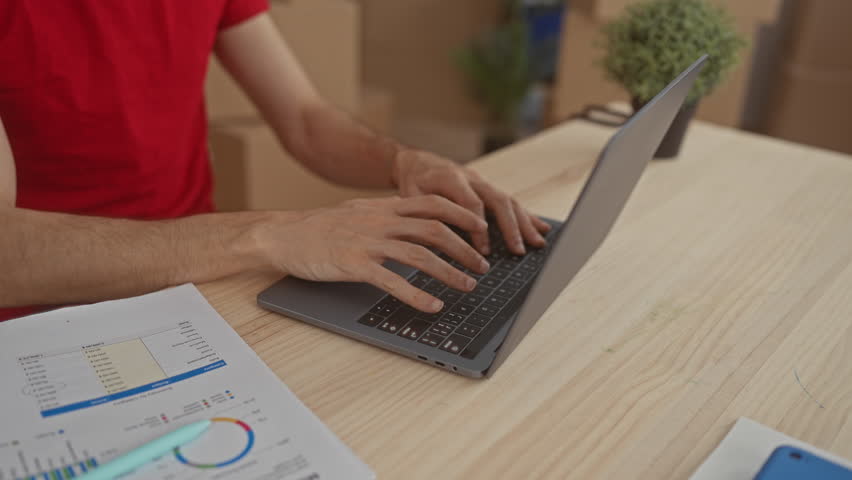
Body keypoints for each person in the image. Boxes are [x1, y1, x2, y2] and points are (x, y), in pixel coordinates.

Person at [0, 0, 550, 321]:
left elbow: (305, 119)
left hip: (199, 287)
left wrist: (404, 162)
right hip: (49, 315)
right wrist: (267, 234)